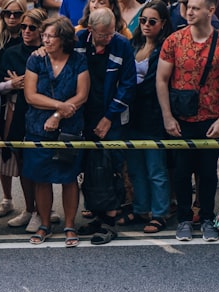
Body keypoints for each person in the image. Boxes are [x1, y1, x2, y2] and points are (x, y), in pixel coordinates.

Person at [157, 0, 219, 241]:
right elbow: (162, 79)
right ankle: (183, 218)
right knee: (182, 172)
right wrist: (167, 116)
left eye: (195, 8)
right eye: (188, 7)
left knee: (208, 172)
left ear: (210, 10)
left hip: (211, 117)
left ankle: (206, 218)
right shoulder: (174, 40)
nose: (189, 12)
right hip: (181, 118)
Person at [23, 16, 89, 247]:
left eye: (51, 36)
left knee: (69, 177)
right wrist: (59, 106)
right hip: (38, 127)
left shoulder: (78, 60)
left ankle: (70, 224)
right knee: (42, 178)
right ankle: (44, 224)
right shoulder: (36, 60)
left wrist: (58, 115)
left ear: (64, 39)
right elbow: (30, 96)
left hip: (69, 127)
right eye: (45, 36)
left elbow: (82, 95)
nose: (45, 39)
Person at [74, 7, 135, 244]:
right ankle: (97, 215)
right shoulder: (79, 40)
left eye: (111, 33)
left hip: (113, 115)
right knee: (89, 165)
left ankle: (110, 218)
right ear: (90, 30)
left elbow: (128, 84)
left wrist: (109, 116)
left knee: (110, 165)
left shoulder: (121, 44)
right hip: (84, 113)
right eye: (103, 35)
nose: (108, 38)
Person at [125, 1, 171, 232]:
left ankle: (161, 213)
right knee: (136, 167)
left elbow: (154, 83)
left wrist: (127, 90)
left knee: (156, 168)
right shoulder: (133, 44)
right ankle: (141, 208)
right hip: (131, 115)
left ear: (163, 24)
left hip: (153, 114)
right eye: (143, 20)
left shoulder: (165, 47)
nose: (146, 25)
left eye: (152, 21)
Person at [0, 7, 46, 231]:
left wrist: (26, 81)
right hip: (15, 110)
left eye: (32, 27)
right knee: (21, 161)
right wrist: (12, 84)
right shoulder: (10, 53)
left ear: (41, 30)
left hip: (40, 112)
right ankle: (29, 209)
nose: (26, 31)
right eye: (23, 26)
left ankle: (42, 210)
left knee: (39, 161)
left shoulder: (47, 53)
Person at [0, 0, 27, 220]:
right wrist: (11, 84)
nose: (12, 18)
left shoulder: (31, 37)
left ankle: (32, 205)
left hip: (27, 100)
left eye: (17, 14)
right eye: (7, 14)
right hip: (3, 99)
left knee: (24, 153)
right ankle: (7, 198)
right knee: (4, 150)